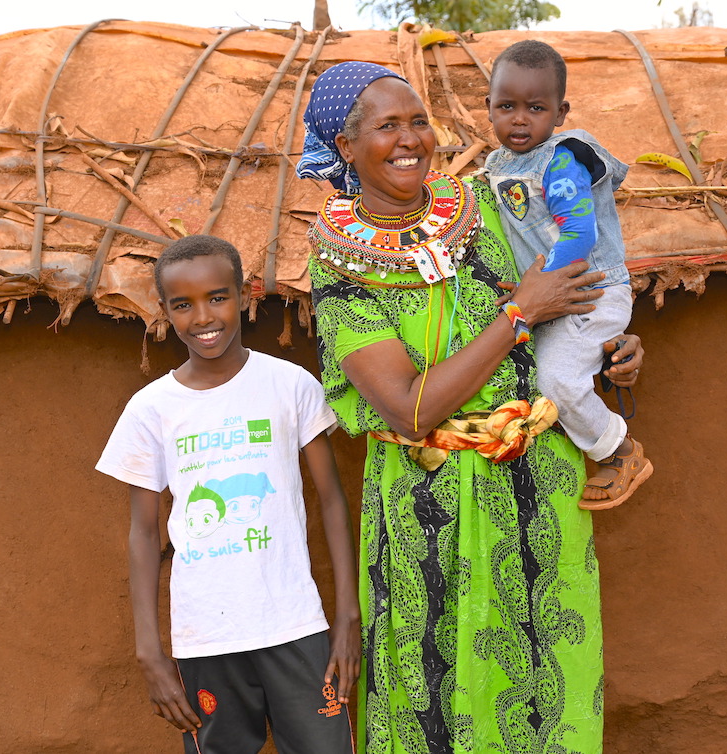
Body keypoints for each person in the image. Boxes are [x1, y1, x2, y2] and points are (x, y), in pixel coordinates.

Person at [296, 61, 643, 754]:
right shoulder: (337, 261)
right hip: (426, 509)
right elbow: (405, 409)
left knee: (548, 689)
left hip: (537, 490)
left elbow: (565, 285)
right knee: (433, 693)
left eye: (419, 121)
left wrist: (609, 341)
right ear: (345, 146)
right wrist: (519, 314)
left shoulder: (481, 202)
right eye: (386, 126)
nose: (410, 139)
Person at [95, 235, 360, 754]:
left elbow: (331, 501)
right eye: (182, 304)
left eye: (217, 297)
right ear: (166, 312)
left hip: (295, 627)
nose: (203, 316)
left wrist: (346, 618)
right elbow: (145, 533)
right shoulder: (151, 409)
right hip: (206, 639)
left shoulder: (290, 385)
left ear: (244, 295)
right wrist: (151, 651)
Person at [484, 39, 652, 511]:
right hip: (556, 296)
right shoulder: (498, 165)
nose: (520, 119)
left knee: (555, 379)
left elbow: (578, 234)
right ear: (489, 107)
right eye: (507, 106)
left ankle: (619, 452)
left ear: (561, 113)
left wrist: (527, 292)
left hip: (589, 291)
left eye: (536, 107)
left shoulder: (560, 160)